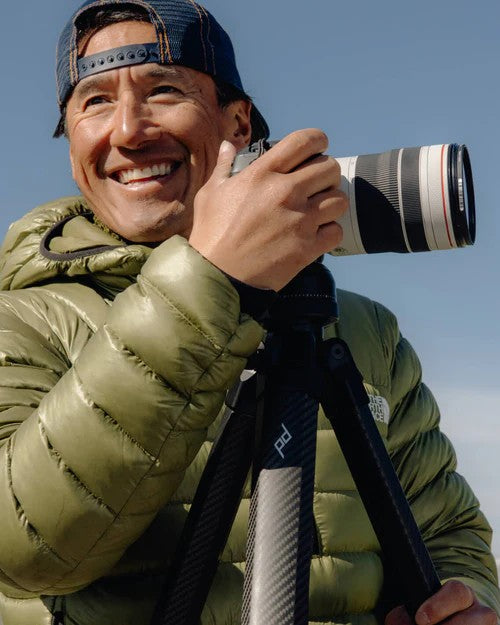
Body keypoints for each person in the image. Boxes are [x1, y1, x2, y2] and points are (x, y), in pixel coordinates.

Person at [0, 1, 498, 624]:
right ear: (72, 141)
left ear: (237, 124)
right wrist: (209, 280)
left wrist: (463, 596)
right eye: (94, 102)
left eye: (163, 91)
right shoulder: (23, 322)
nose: (127, 131)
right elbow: (25, 551)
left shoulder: (363, 332)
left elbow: (448, 531)